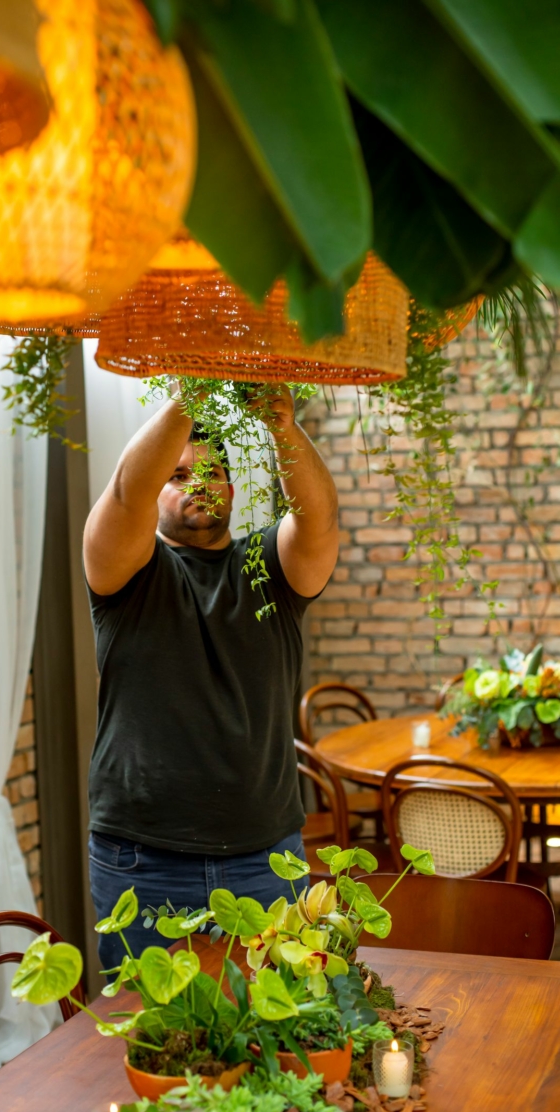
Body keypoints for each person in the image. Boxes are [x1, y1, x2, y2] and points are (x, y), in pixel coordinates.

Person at [83, 384, 339, 968]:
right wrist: (190, 392)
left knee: (274, 1035)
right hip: (141, 860)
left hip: (266, 858)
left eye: (215, 471)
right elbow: (126, 494)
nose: (199, 483)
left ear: (233, 487)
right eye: (177, 475)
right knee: (152, 1035)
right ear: (157, 491)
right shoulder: (127, 570)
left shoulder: (270, 568)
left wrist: (283, 428)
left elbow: (320, 522)